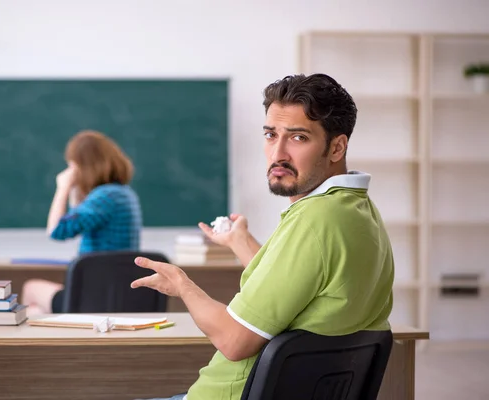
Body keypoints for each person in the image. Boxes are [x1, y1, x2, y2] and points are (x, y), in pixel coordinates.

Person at [130, 73, 395, 400]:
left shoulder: (314, 220)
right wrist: (239, 241)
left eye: (298, 138)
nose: (278, 154)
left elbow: (234, 341)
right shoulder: (357, 210)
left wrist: (183, 285)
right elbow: (296, 287)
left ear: (337, 146)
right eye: (271, 135)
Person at [21, 130, 142, 316]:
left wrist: (63, 187)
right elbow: (78, 216)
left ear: (82, 167)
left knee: (31, 289)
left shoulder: (104, 197)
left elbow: (57, 231)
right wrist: (75, 189)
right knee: (41, 307)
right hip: (117, 293)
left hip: (94, 298)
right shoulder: (123, 194)